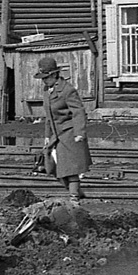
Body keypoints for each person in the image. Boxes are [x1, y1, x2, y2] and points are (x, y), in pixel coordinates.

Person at [36, 56, 91, 204]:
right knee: (50, 165)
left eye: (46, 77)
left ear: (54, 75)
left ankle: (74, 199)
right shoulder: (47, 90)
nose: (44, 81)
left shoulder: (68, 90)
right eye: (42, 78)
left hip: (69, 133)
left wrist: (79, 133)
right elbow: (48, 116)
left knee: (70, 168)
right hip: (56, 134)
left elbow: (78, 112)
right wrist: (47, 135)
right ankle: (76, 190)